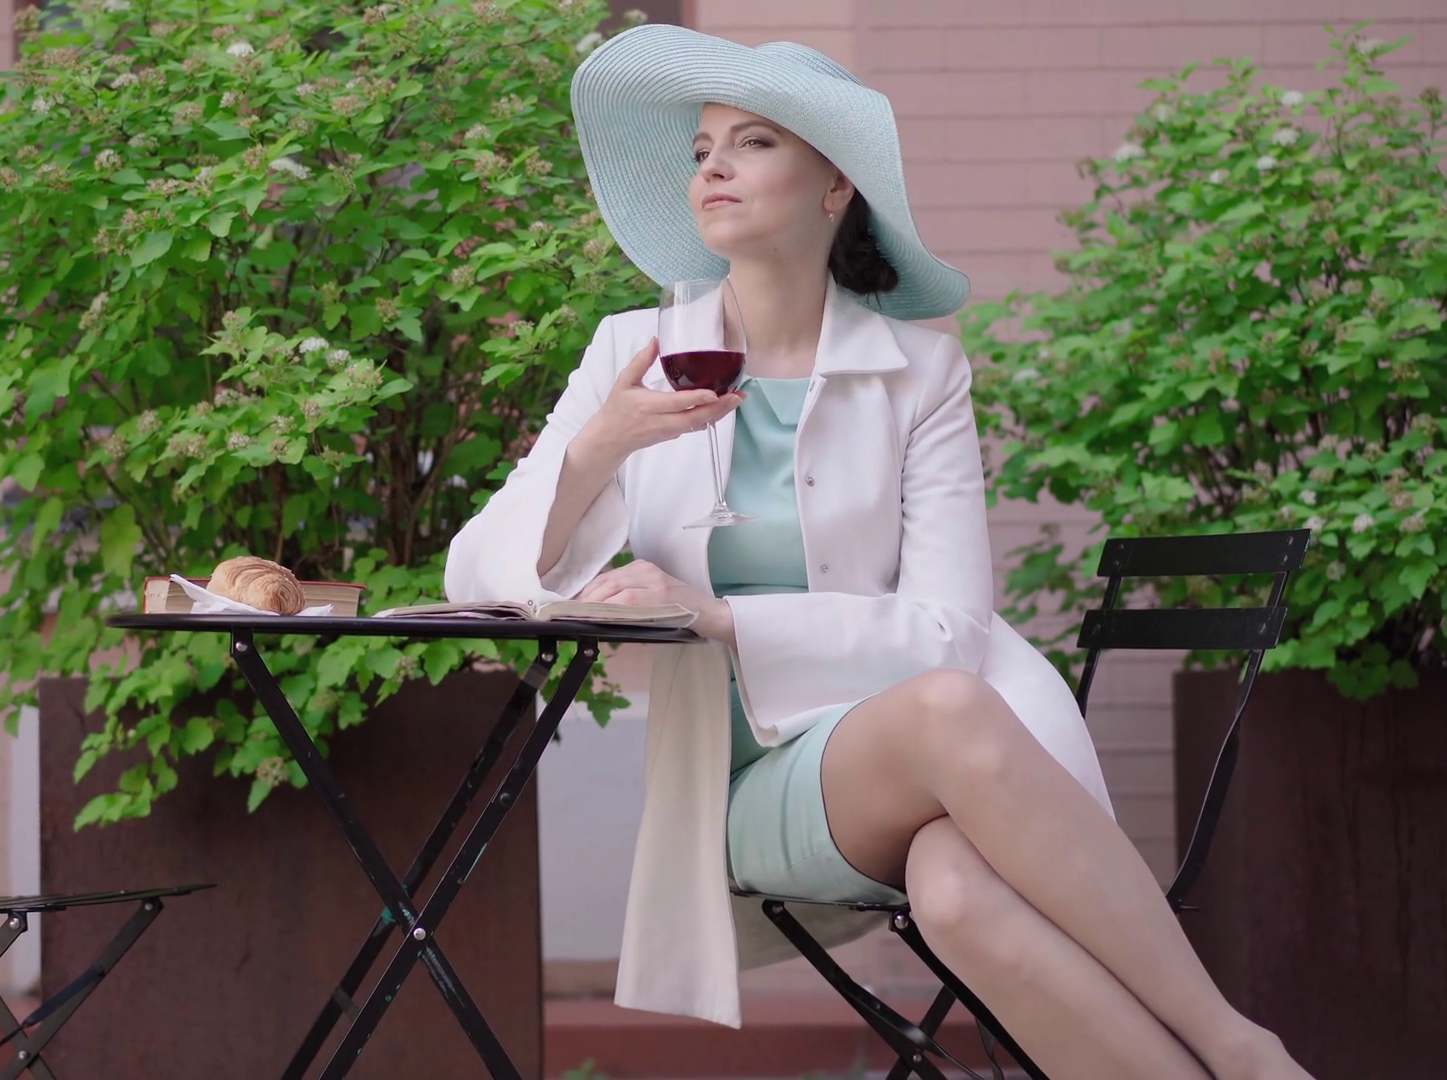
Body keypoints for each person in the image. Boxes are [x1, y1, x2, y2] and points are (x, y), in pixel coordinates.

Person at [445, 24, 1313, 1080]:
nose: (713, 166)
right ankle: (1239, 1042)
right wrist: (599, 448)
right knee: (946, 714)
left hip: (905, 763)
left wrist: (721, 615)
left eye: (753, 142)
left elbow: (946, 632)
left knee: (956, 890)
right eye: (703, 147)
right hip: (737, 781)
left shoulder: (921, 373)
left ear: (834, 186)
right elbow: (474, 574)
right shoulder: (636, 353)